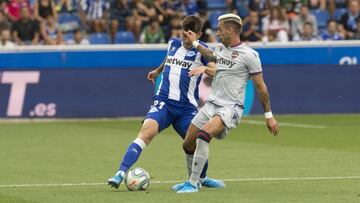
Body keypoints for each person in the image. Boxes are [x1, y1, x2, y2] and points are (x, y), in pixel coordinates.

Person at [107, 15, 225, 190]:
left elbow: (216, 71)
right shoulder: (173, 43)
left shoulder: (203, 52)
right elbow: (169, 58)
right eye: (184, 34)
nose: (186, 39)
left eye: (191, 35)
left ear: (199, 34)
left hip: (186, 108)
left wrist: (204, 66)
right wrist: (158, 70)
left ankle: (202, 178)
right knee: (146, 132)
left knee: (197, 141)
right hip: (164, 102)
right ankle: (120, 173)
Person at [173, 13, 279, 193]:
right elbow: (211, 56)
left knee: (203, 136)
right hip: (211, 105)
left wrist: (269, 116)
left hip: (230, 108)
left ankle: (193, 183)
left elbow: (261, 87)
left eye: (220, 29)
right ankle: (198, 179)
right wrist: (196, 43)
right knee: (187, 143)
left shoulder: (250, 55)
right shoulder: (222, 49)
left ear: (231, 30)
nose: (218, 32)